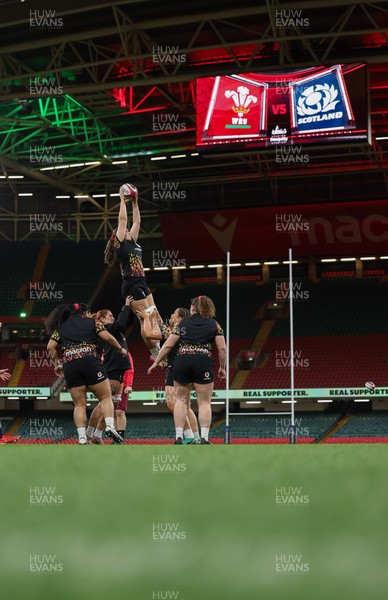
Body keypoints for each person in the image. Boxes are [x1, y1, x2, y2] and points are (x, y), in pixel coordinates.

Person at [148, 296, 226, 444]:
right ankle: (204, 438)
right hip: (203, 361)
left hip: (182, 360)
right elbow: (222, 348)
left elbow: (168, 345)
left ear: (194, 308)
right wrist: (222, 368)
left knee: (181, 402)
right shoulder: (214, 324)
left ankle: (178, 437)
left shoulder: (183, 322)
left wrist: (156, 362)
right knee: (204, 403)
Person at [46, 302, 127, 444]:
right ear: (85, 313)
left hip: (70, 365)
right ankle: (109, 426)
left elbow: (50, 347)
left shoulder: (61, 327)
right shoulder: (92, 322)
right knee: (106, 397)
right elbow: (108, 337)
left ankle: (82, 437)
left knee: (79, 404)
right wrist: (120, 349)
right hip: (90, 362)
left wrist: (57, 364)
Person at [103, 186, 161, 360]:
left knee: (155, 314)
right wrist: (121, 199)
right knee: (146, 317)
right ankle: (154, 352)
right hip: (131, 284)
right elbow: (123, 221)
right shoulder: (121, 245)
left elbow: (137, 222)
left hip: (142, 281)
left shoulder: (133, 242)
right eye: (125, 231)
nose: (128, 230)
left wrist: (135, 203)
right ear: (118, 237)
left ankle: (159, 347)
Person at [138, 304, 200, 444]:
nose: (170, 315)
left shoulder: (174, 330)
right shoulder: (186, 329)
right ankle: (196, 437)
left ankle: (189, 436)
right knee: (186, 405)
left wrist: (146, 318)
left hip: (175, 369)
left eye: (173, 313)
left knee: (173, 404)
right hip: (187, 368)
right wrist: (154, 311)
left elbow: (149, 334)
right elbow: (160, 323)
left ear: (178, 318)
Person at [86, 298, 133, 444]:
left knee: (112, 404)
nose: (113, 317)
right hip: (112, 369)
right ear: (102, 320)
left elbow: (124, 324)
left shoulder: (112, 330)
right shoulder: (108, 329)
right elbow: (122, 322)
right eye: (110, 315)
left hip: (117, 370)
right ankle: (89, 433)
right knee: (104, 404)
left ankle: (97, 434)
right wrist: (126, 306)